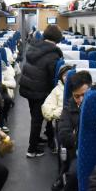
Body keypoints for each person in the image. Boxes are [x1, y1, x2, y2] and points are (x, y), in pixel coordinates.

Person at [55, 70, 92, 191]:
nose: (81, 99)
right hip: (81, 154)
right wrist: (79, 136)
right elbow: (64, 135)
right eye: (77, 96)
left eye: (85, 94)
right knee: (73, 176)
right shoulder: (69, 108)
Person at [19, 24, 64, 158]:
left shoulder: (34, 46)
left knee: (35, 116)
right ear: (58, 38)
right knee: (37, 120)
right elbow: (53, 77)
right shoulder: (53, 54)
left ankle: (38, 138)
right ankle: (32, 149)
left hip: (28, 87)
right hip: (39, 90)